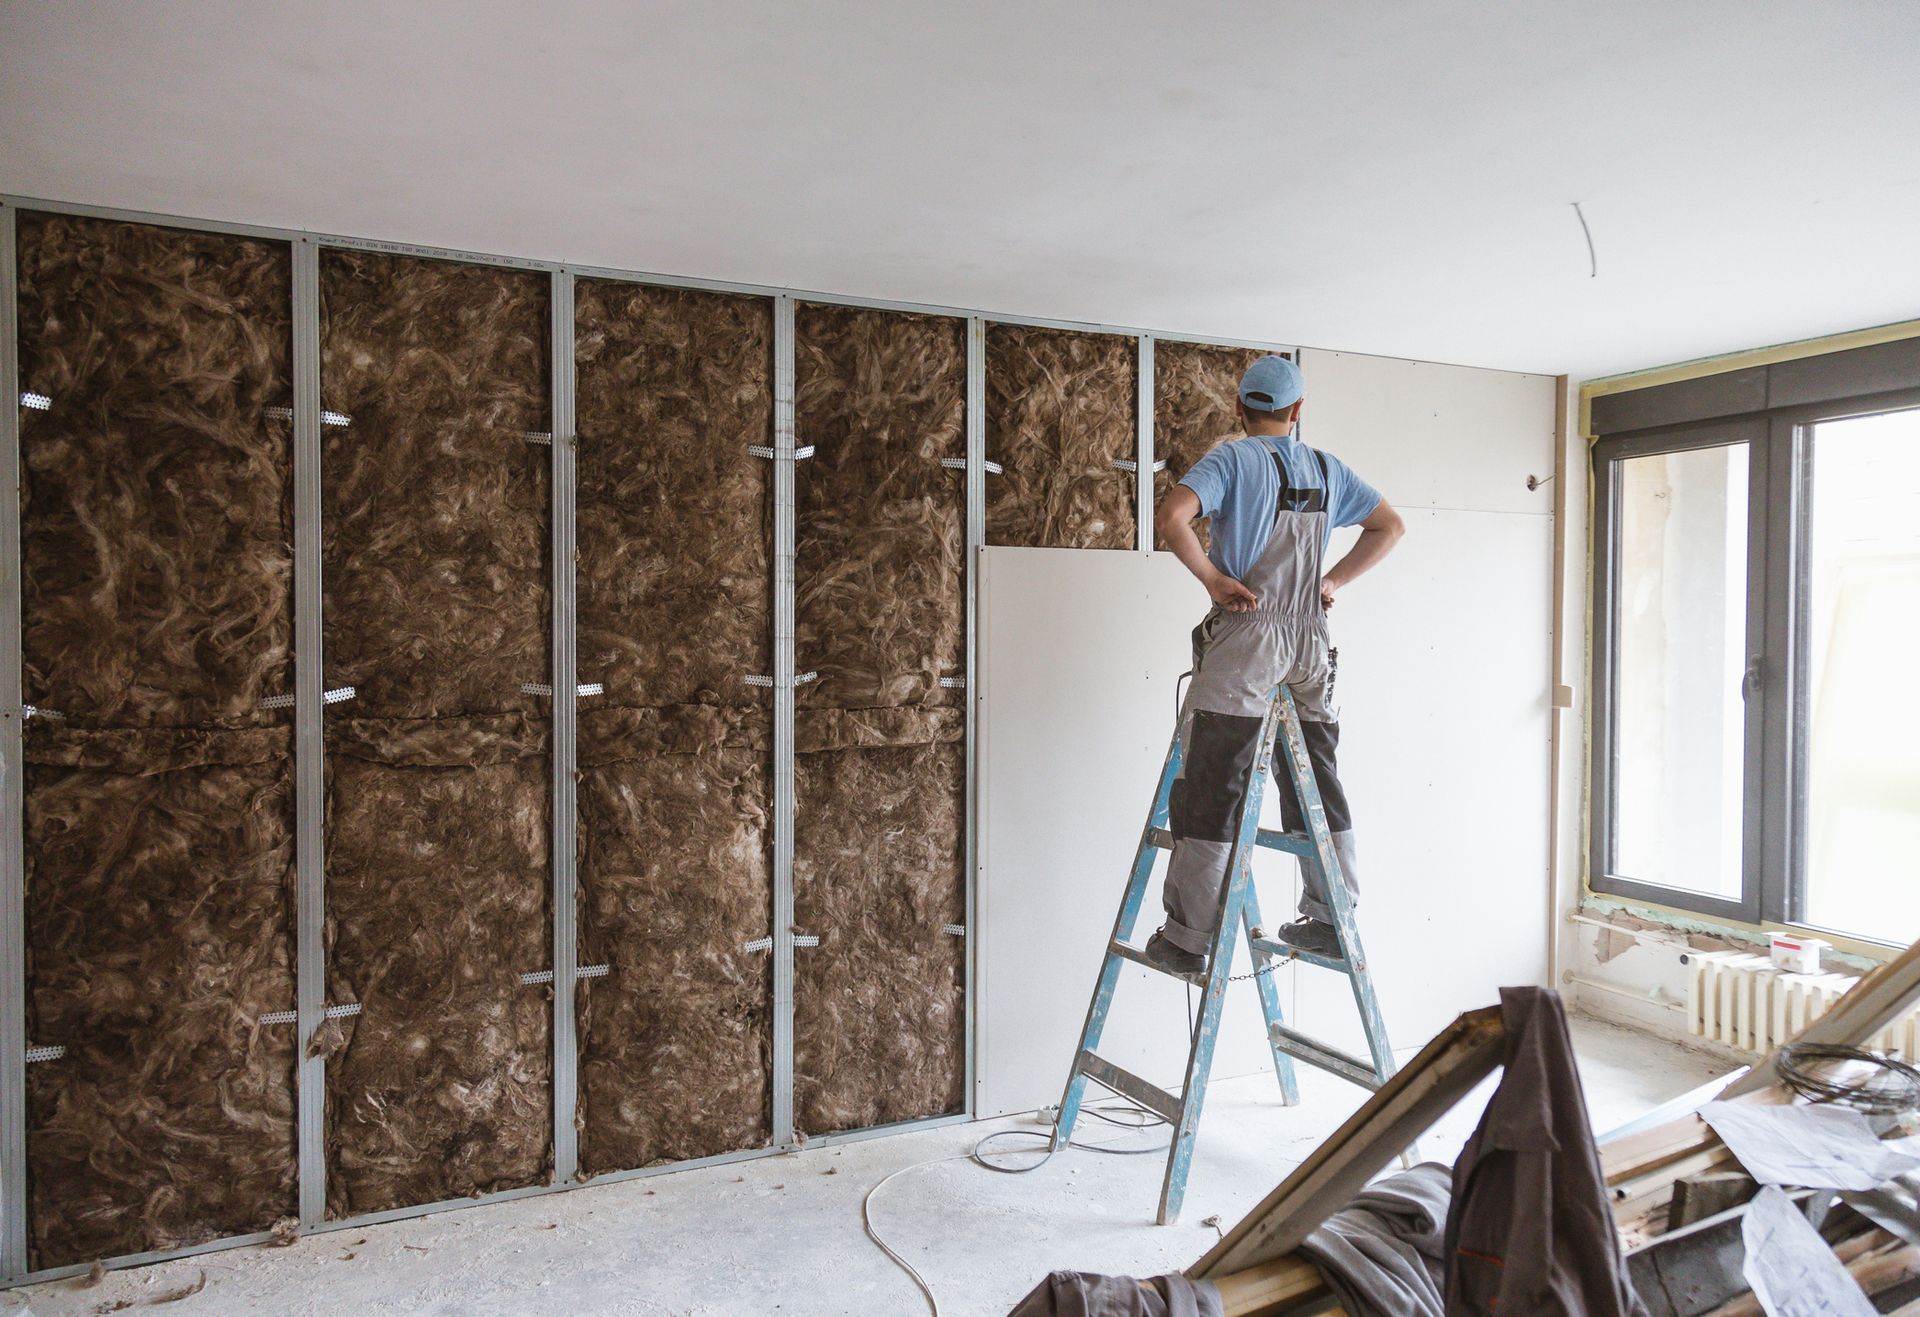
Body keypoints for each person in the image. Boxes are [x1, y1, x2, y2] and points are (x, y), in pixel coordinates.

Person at [1147, 355, 1404, 972]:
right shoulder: (1325, 467)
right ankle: (1331, 919)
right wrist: (1331, 582)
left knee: (1215, 783)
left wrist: (1214, 579)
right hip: (1310, 641)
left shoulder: (1231, 460)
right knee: (1317, 777)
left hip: (1249, 635)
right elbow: (1389, 526)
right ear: (1296, 413)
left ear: (1240, 408)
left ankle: (1188, 940)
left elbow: (1171, 519)